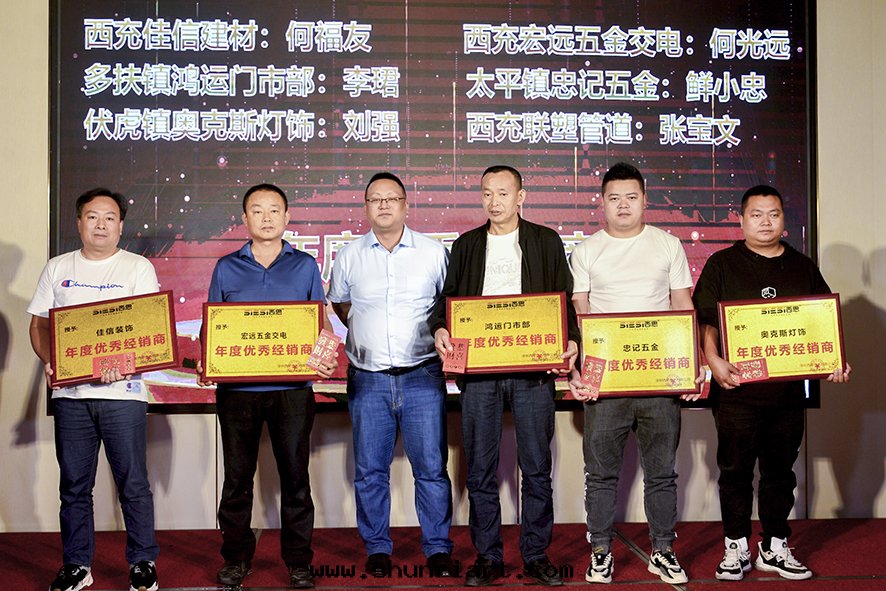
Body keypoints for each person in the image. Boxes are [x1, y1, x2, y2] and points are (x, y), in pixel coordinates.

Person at [430, 165, 579, 587]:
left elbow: (563, 301)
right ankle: (488, 556)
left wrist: (572, 340)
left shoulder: (545, 241)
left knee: (536, 468)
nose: (494, 202)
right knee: (480, 469)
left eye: (503, 193)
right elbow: (448, 302)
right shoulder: (466, 245)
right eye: (486, 194)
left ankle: (536, 554)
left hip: (532, 372)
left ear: (521, 197)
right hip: (481, 374)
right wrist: (440, 328)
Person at [692, 184, 851, 581]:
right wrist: (713, 361)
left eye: (773, 214)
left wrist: (833, 361)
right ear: (741, 219)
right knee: (735, 471)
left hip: (787, 394)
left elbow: (821, 322)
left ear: (784, 219)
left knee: (780, 471)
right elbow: (707, 320)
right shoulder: (722, 264)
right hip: (736, 391)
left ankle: (775, 545)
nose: (765, 222)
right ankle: (735, 546)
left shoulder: (802, 266)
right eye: (757, 214)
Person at [568, 162, 702, 585]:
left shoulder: (668, 245)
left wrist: (692, 366)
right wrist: (581, 371)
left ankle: (663, 550)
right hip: (606, 381)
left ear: (645, 199)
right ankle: (600, 552)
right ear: (602, 203)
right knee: (600, 474)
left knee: (662, 472)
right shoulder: (586, 251)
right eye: (614, 198)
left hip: (658, 378)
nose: (623, 205)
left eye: (631, 197)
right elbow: (581, 314)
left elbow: (682, 306)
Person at [199, 183, 337, 589]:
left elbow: (321, 324)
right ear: (245, 218)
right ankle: (236, 558)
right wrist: (208, 360)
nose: (266, 218)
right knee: (237, 482)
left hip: (292, 392)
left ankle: (299, 561)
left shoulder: (305, 265)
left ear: (287, 217)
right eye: (257, 210)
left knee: (296, 480)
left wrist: (325, 356)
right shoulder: (226, 267)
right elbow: (213, 327)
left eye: (274, 210)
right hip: (237, 395)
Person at [28, 188, 160, 591]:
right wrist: (50, 360)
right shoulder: (58, 267)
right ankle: (77, 565)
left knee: (133, 484)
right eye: (92, 217)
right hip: (71, 398)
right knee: (74, 486)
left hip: (123, 394)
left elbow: (149, 328)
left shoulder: (137, 268)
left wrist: (123, 363)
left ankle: (142, 562)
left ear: (120, 226)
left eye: (109, 218)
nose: (100, 225)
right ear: (79, 223)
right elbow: (40, 325)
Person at [328, 172, 455, 578]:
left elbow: (447, 307)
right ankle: (378, 548)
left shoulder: (433, 252)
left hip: (422, 374)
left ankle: (437, 548)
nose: (383, 205)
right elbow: (341, 305)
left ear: (405, 204)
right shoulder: (349, 255)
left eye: (391, 198)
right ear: (366, 207)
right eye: (375, 199)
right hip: (368, 378)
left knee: (431, 469)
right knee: (370, 471)